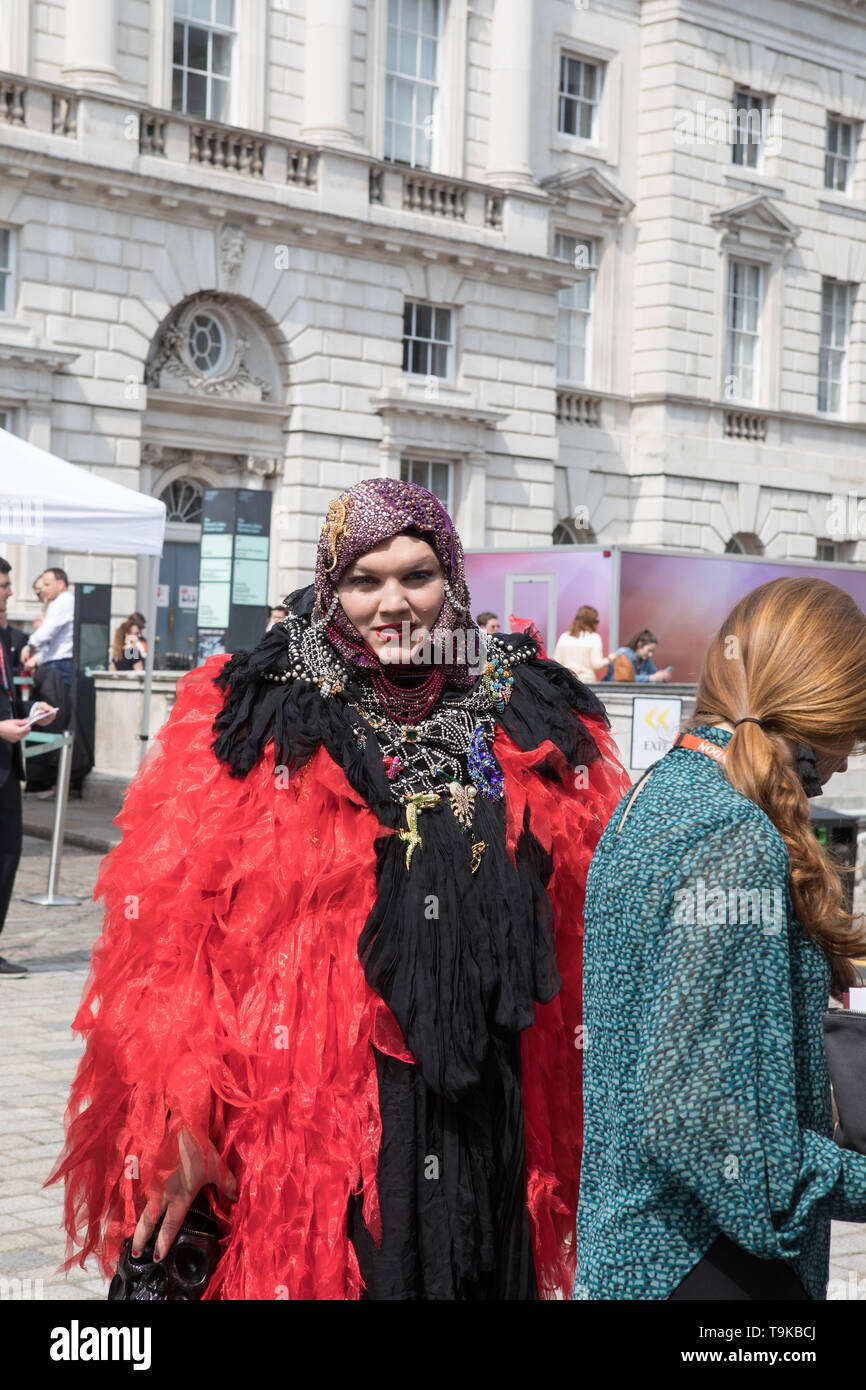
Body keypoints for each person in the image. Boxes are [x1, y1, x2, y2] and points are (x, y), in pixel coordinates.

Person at [47, 477, 630, 1301]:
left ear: (453, 577)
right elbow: (174, 934)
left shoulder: (517, 700)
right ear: (332, 586)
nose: (393, 603)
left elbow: (587, 909)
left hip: (478, 1104)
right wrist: (178, 1112)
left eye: (417, 575)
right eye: (364, 580)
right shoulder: (262, 708)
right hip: (310, 1106)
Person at [576, 576, 866, 1301]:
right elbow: (703, 1123)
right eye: (853, 727)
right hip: (706, 1265)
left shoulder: (655, 792)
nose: (851, 757)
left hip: (633, 1251)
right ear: (821, 708)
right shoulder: (736, 835)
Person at [0, 557, 57, 978]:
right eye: (2, 586)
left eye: (7, 584)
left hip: (5, 769)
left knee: (7, 857)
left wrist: (30, 710)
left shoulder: (6, 640)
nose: (8, 593)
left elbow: (7, 701)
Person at [21, 568, 74, 687]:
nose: (44, 589)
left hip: (61, 664)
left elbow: (47, 633)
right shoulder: (59, 602)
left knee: (55, 703)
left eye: (47, 584)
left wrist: (29, 646)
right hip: (57, 663)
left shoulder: (64, 601)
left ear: (60, 584)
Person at [554, 605, 609, 683]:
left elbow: (556, 662)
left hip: (567, 682)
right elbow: (597, 664)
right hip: (587, 682)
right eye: (596, 621)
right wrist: (610, 659)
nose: (597, 624)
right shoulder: (594, 638)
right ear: (591, 622)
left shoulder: (564, 637)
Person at [601, 628, 671, 683]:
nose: (651, 654)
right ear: (639, 644)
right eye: (649, 650)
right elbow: (621, 679)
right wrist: (650, 678)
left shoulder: (645, 659)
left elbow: (653, 673)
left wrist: (662, 676)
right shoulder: (623, 654)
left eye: (653, 652)